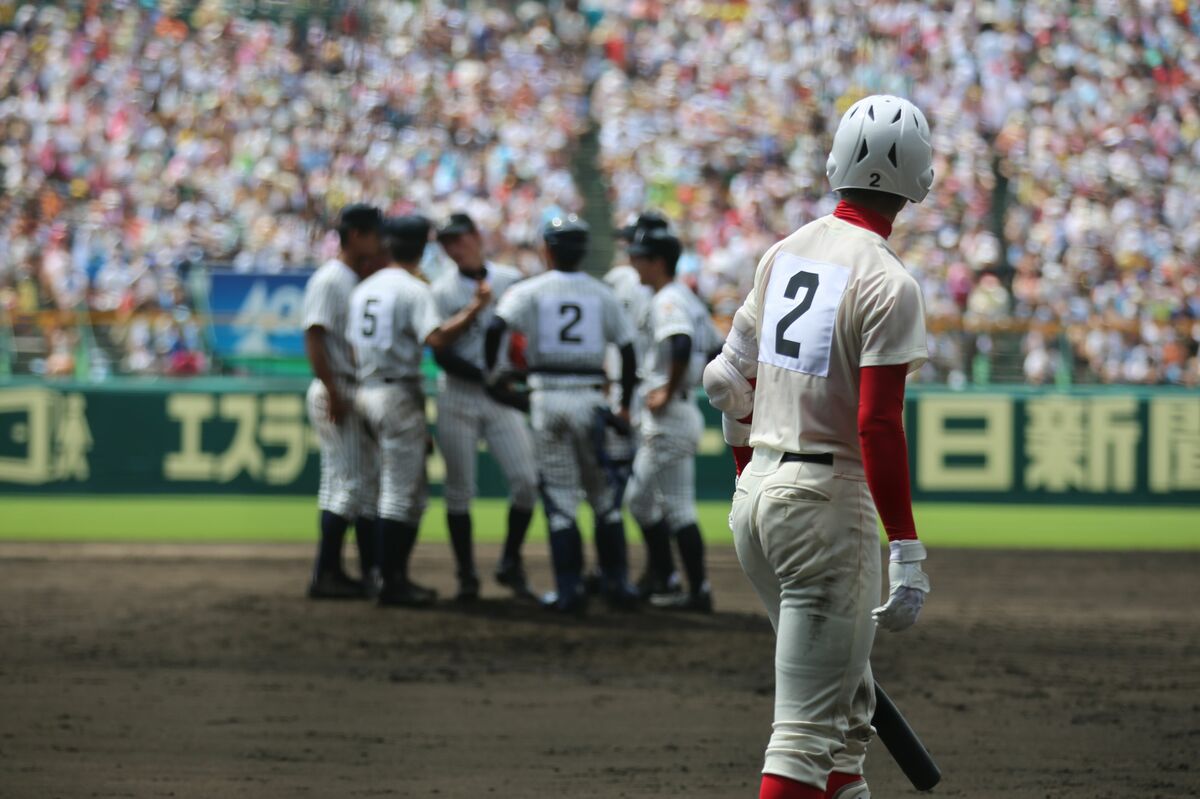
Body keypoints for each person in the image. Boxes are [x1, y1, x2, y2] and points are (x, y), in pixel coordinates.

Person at [703, 95, 935, 799]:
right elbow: (877, 425)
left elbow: (723, 380)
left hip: (759, 503)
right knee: (804, 736)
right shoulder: (889, 281)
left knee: (844, 725)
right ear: (919, 181)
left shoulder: (784, 251)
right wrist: (907, 548)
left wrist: (751, 477)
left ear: (835, 164)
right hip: (828, 509)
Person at [483, 215, 640, 614]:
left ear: (548, 249)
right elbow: (626, 349)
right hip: (589, 395)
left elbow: (495, 327)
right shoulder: (601, 292)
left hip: (546, 396)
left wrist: (496, 374)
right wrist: (624, 401)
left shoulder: (530, 289)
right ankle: (616, 584)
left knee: (560, 498)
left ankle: (570, 592)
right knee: (603, 496)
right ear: (583, 250)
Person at [348, 215, 493, 608]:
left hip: (363, 390)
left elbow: (348, 347)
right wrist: (475, 309)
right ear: (423, 248)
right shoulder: (413, 290)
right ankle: (390, 581)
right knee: (399, 496)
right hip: (397, 393)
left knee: (381, 493)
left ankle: (381, 576)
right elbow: (437, 338)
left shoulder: (365, 288)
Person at [431, 213, 539, 602]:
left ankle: (510, 561)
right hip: (458, 394)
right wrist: (490, 377)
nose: (452, 247)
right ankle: (466, 576)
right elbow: (440, 354)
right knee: (459, 490)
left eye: (457, 238)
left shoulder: (510, 279)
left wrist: (517, 373)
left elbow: (527, 334)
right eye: (445, 242)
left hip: (500, 397)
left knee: (527, 482)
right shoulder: (441, 290)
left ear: (477, 237)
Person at [625, 225, 715, 612]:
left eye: (639, 258)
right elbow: (716, 347)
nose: (633, 264)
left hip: (671, 412)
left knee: (670, 506)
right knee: (644, 503)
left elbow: (682, 341)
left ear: (658, 262)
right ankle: (671, 579)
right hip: (678, 408)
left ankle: (694, 590)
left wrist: (669, 386)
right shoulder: (688, 298)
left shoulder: (668, 300)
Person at [301, 204, 382, 600]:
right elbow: (314, 337)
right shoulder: (332, 279)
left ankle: (360, 573)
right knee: (350, 484)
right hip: (336, 387)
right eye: (373, 233)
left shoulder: (355, 279)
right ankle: (326, 574)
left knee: (355, 485)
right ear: (354, 236)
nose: (379, 240)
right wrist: (332, 389)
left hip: (348, 387)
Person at [605, 211, 680, 595]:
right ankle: (658, 573)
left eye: (632, 240)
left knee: (626, 492)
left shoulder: (625, 280)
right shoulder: (670, 288)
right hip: (642, 394)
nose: (627, 247)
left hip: (632, 394)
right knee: (651, 496)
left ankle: (632, 575)